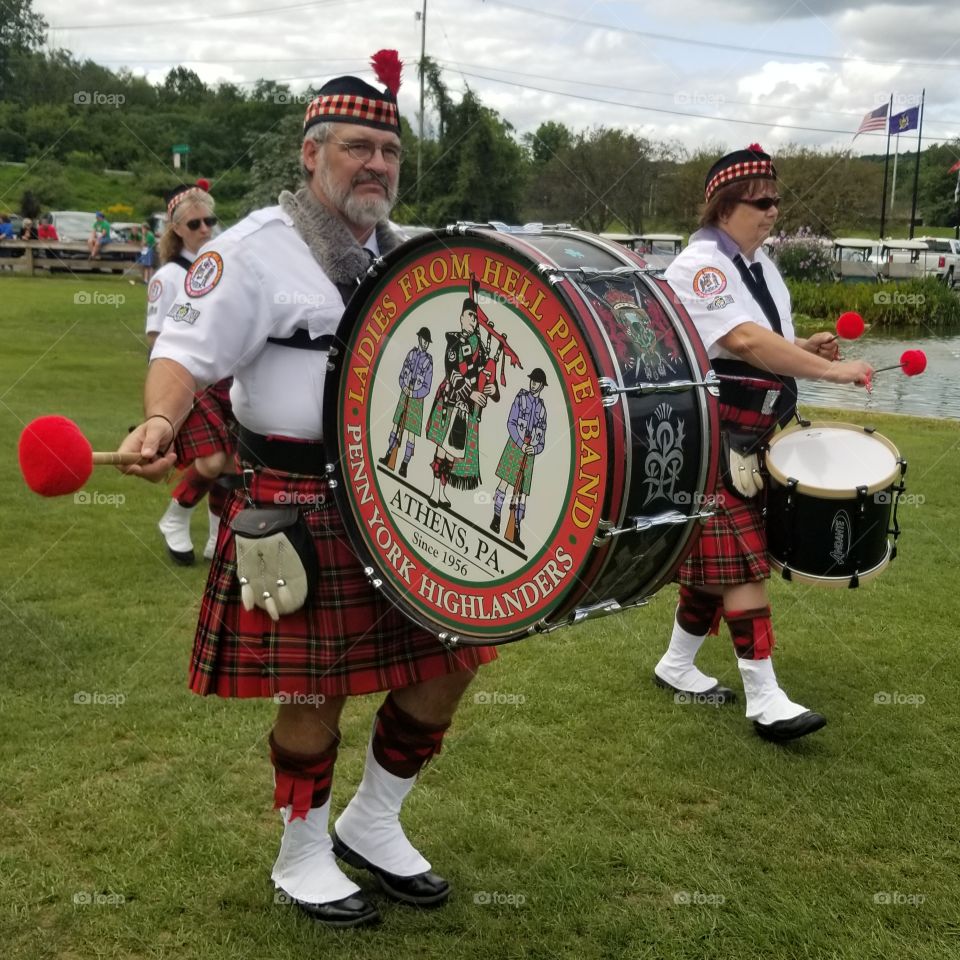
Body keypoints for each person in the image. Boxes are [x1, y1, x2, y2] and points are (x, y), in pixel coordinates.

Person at [118, 50, 496, 929]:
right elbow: (183, 354)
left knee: (458, 658)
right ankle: (301, 853)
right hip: (301, 502)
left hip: (404, 496)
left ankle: (374, 820)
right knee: (314, 689)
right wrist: (163, 422)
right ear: (312, 152)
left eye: (389, 152)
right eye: (358, 146)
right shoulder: (252, 253)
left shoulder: (411, 255)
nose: (377, 165)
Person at [651, 144, 873, 743]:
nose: (774, 210)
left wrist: (809, 349)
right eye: (762, 201)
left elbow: (773, 341)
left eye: (778, 199)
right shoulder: (699, 266)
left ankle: (675, 664)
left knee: (716, 564)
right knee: (744, 562)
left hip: (756, 433)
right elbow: (745, 341)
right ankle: (765, 699)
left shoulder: (765, 268)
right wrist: (828, 372)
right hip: (709, 433)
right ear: (725, 206)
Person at [145, 181, 228, 566]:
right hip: (189, 383)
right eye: (195, 223)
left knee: (235, 461)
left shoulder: (218, 267)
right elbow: (157, 340)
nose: (205, 229)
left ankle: (216, 537)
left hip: (226, 379)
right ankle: (175, 518)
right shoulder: (168, 278)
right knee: (212, 461)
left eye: (209, 220)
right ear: (177, 228)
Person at [425, 298, 499, 507]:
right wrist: (471, 394)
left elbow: (485, 374)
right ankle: (434, 490)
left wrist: (493, 391)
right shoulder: (454, 343)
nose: (473, 321)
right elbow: (453, 374)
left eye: (476, 318)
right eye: (470, 316)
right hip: (450, 401)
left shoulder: (480, 348)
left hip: (464, 409)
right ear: (461, 317)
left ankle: (442, 491)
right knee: (442, 448)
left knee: (452, 451)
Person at [490, 368, 548, 549]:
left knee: (522, 495)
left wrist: (535, 448)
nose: (533, 384)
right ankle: (496, 518)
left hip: (528, 453)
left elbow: (542, 437)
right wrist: (520, 443)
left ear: (541, 386)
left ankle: (516, 530)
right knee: (504, 484)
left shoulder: (542, 409)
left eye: (537, 382)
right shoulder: (520, 398)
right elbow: (511, 422)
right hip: (515, 447)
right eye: (532, 380)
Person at [379, 326, 433, 478]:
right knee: (396, 425)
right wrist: (404, 387)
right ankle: (389, 454)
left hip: (417, 400)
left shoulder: (429, 361)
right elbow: (402, 374)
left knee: (411, 434)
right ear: (419, 339)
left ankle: (404, 465)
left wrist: (414, 393)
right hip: (405, 394)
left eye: (427, 341)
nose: (425, 343)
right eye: (424, 340)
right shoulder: (411, 354)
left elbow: (427, 387)